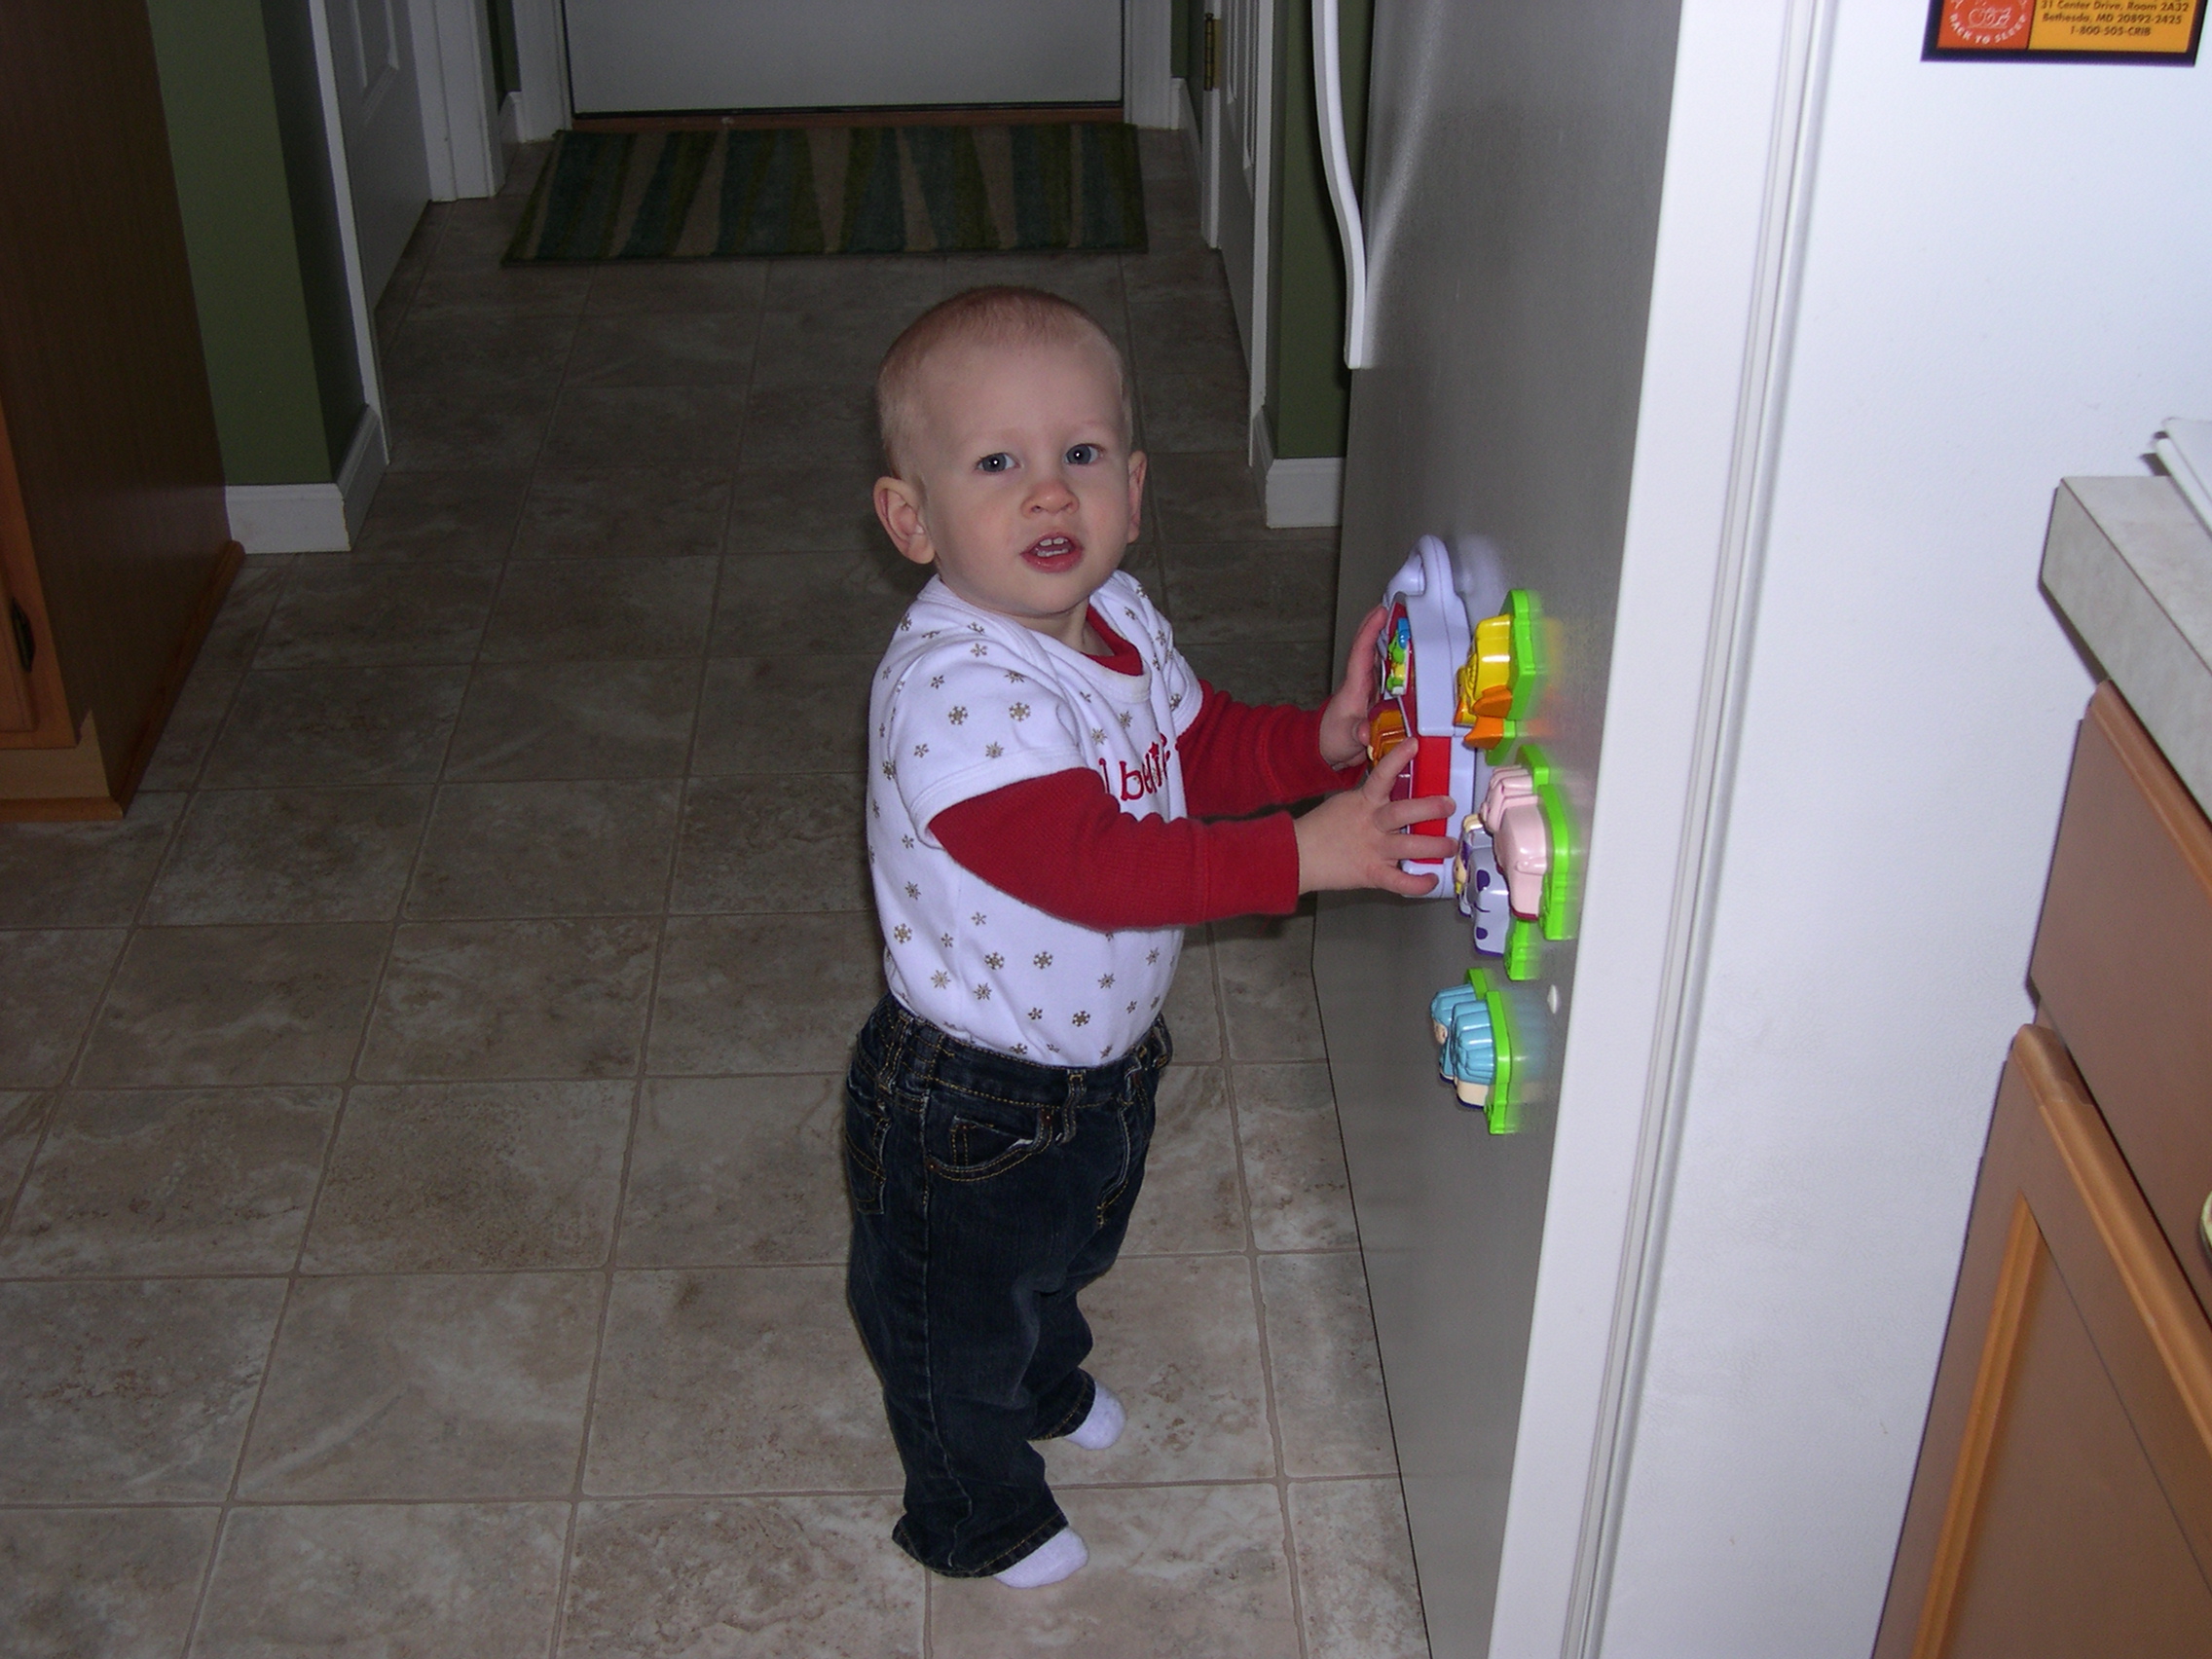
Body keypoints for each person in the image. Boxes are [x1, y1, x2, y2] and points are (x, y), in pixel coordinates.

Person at [847, 284, 1453, 1588]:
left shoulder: (1117, 622)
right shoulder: (957, 695)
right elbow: (1100, 868)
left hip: (1097, 1057)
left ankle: (1044, 1377)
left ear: (1134, 484)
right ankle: (978, 1510)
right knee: (956, 1320)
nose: (1048, 494)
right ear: (912, 518)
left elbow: (1198, 742)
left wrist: (1322, 745)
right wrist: (1305, 853)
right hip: (967, 1096)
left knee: (1066, 1252)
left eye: (1079, 457)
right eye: (997, 464)